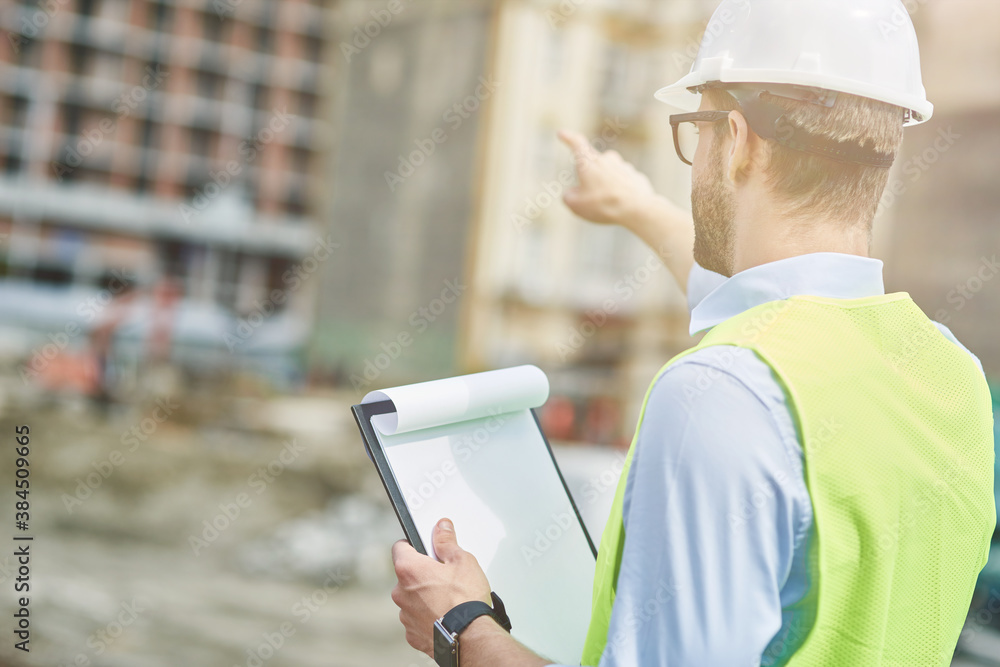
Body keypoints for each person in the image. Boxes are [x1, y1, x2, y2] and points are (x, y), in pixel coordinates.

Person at [389, 1, 996, 665]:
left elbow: (758, 351)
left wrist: (462, 626)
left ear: (736, 139)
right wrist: (635, 207)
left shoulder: (719, 392)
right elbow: (771, 301)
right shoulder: (950, 373)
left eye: (695, 129)